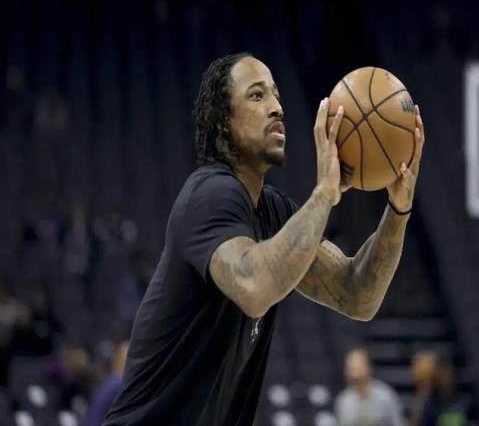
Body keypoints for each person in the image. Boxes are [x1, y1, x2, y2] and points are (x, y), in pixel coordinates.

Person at [103, 52, 425, 425]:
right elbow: (254, 287)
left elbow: (357, 295)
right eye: (257, 95)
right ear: (223, 124)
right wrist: (325, 193)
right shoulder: (209, 194)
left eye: (276, 94)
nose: (277, 107)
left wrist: (398, 210)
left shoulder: (272, 211)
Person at [334, 348, 405, 426]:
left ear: (369, 368)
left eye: (359, 368)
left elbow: (398, 423)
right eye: (351, 369)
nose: (355, 375)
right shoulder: (343, 401)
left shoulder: (385, 396)